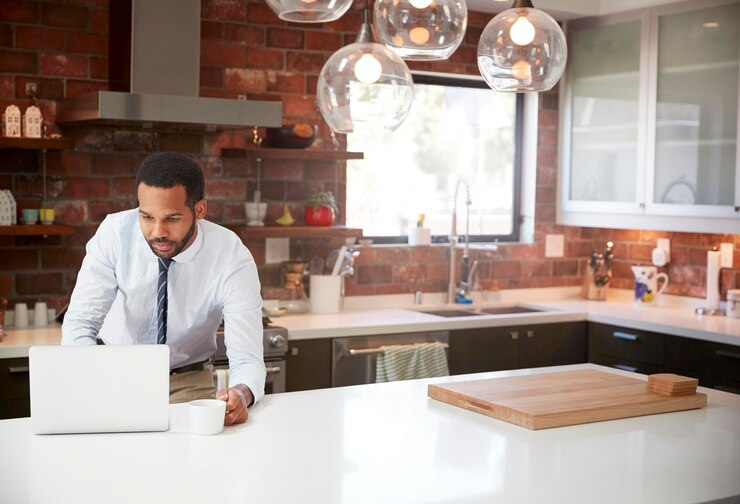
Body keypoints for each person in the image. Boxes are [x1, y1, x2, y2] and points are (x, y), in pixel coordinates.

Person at [62, 152, 265, 425]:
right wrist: (93, 380)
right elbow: (81, 322)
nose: (157, 232)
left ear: (200, 210)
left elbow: (247, 358)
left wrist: (242, 392)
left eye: (171, 219)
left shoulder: (230, 256)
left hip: (189, 382)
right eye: (146, 216)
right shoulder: (114, 234)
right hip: (115, 376)